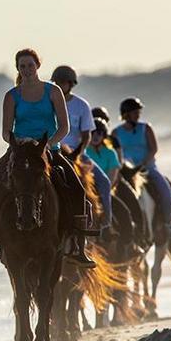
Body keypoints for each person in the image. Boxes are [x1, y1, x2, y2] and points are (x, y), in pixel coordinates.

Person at [0, 48, 97, 272]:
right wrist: (18, 144)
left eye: (30, 65)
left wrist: (48, 144)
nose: (27, 70)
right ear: (18, 69)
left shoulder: (53, 91)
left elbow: (64, 126)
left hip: (48, 150)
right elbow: (5, 130)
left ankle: (79, 248)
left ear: (38, 66)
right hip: (19, 151)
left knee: (77, 189)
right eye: (22, 66)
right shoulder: (12, 95)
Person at [50, 66, 113, 237]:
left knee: (104, 182)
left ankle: (106, 222)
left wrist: (77, 153)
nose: (60, 85)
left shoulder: (81, 105)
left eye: (63, 82)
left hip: (76, 153)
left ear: (71, 84)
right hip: (51, 150)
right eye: (57, 82)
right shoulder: (48, 101)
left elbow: (86, 135)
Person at [112, 97, 171, 236]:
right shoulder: (116, 133)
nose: (138, 115)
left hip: (147, 168)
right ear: (126, 114)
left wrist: (143, 164)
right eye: (135, 112)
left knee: (165, 189)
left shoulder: (146, 128)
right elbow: (114, 152)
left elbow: (154, 149)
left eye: (138, 112)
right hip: (126, 171)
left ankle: (168, 223)